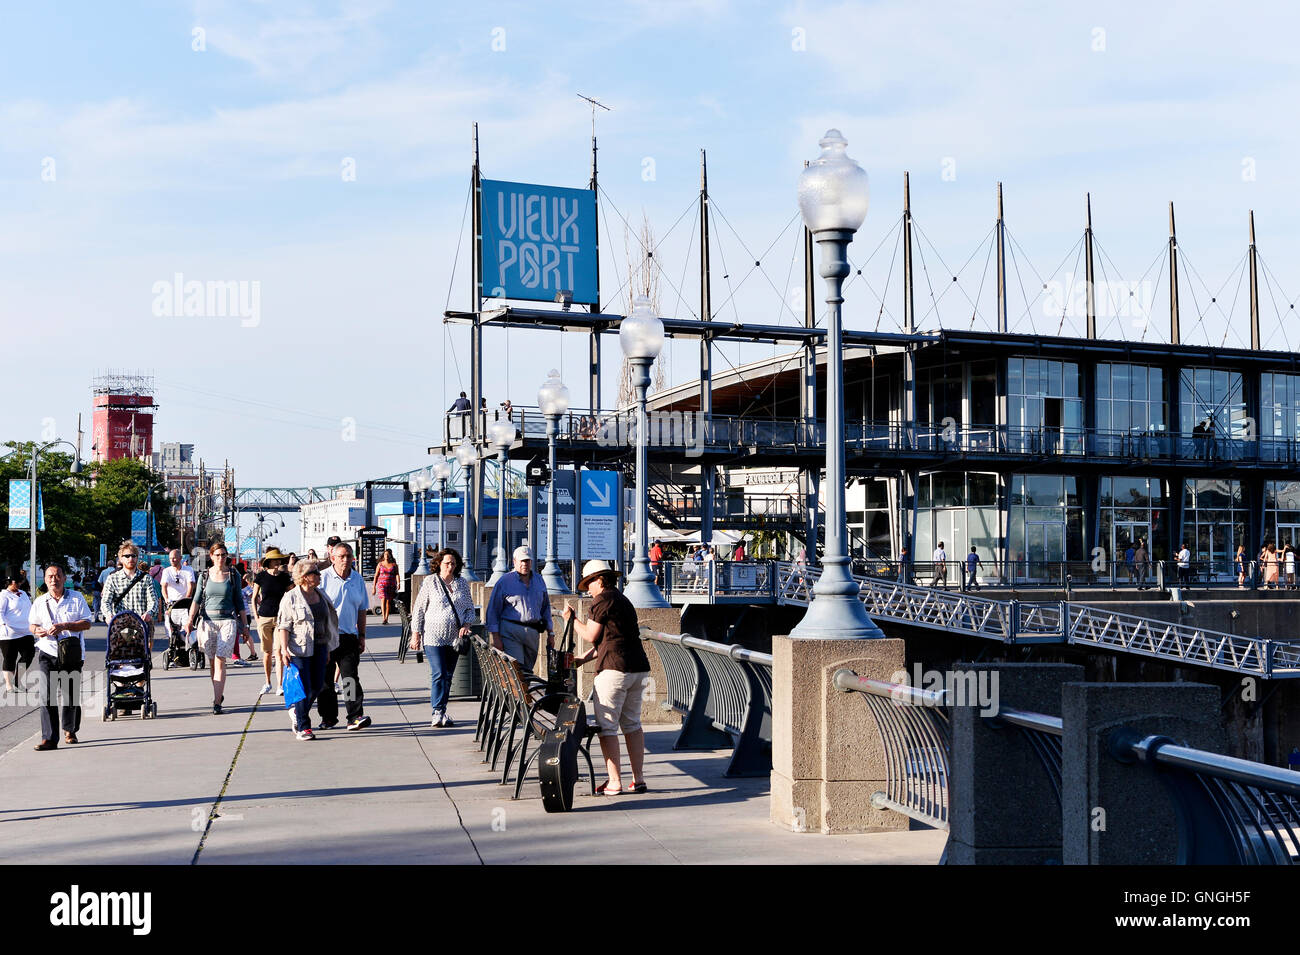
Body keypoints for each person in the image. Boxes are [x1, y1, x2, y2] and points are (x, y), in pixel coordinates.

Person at [562, 560, 651, 796]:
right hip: (638, 669)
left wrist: (572, 619)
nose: (587, 589)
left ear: (599, 580)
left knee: (608, 728)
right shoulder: (623, 600)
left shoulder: (601, 600)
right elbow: (611, 640)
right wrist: (583, 659)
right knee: (632, 725)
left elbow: (592, 635)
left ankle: (614, 781)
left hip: (613, 671)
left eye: (588, 583)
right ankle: (638, 779)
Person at [27, 565, 92, 750]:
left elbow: (87, 623)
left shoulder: (76, 598)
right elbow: (32, 625)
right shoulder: (40, 602)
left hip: (71, 652)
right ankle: (49, 738)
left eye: (57, 576)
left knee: (69, 694)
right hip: (47, 652)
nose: (53, 579)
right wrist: (36, 630)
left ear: (64, 578)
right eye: (49, 577)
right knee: (47, 695)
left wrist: (64, 625)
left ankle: (70, 730)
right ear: (45, 580)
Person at [410, 548, 476, 728]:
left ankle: (442, 711)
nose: (450, 566)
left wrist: (466, 625)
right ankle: (437, 711)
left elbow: (470, 609)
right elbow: (419, 609)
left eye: (453, 563)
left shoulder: (462, 583)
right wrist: (416, 634)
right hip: (433, 636)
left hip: (454, 638)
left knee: (448, 676)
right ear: (439, 564)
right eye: (447, 563)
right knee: (439, 673)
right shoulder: (430, 582)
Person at [275, 559, 337, 741]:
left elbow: (326, 622)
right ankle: (303, 727)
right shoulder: (291, 597)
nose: (319, 575)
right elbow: (284, 625)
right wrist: (284, 649)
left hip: (320, 645)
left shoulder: (321, 594)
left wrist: (327, 647)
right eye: (314, 572)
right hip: (298, 648)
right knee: (304, 686)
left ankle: (297, 711)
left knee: (317, 686)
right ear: (304, 577)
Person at [184, 543, 250, 715]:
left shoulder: (233, 575)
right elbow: (196, 599)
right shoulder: (204, 576)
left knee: (221, 659)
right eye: (218, 555)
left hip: (228, 620)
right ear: (211, 557)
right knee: (212, 661)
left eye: (224, 555)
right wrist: (190, 620)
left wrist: (245, 626)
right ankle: (218, 695)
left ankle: (216, 703)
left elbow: (239, 603)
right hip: (208, 621)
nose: (221, 558)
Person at [318, 542, 372, 731]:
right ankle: (328, 717)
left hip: (349, 636)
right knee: (326, 681)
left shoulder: (357, 580)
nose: (345, 559)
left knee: (349, 678)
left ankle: (354, 716)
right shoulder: (323, 578)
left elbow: (362, 610)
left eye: (349, 556)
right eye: (341, 556)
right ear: (333, 558)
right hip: (326, 637)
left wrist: (362, 635)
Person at [485, 546, 553, 672]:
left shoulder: (539, 580)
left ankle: (523, 691)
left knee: (528, 671)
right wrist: (496, 637)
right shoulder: (504, 581)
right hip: (511, 630)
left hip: (533, 631)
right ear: (514, 562)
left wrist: (551, 633)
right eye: (521, 561)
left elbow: (546, 608)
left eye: (527, 561)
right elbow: (493, 610)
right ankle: (518, 691)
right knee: (517, 670)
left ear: (531, 562)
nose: (524, 564)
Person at [252, 548, 293, 696]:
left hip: (281, 619)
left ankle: (280, 685)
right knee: (267, 653)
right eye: (275, 560)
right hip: (264, 617)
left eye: (279, 560)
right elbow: (254, 597)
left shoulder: (284, 577)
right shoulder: (261, 576)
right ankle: (268, 682)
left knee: (280, 651)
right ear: (269, 562)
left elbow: (292, 594)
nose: (278, 562)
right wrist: (256, 616)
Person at [101, 543, 162, 633]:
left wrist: (149, 613)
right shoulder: (113, 578)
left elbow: (153, 600)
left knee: (143, 646)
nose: (131, 559)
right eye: (127, 556)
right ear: (121, 558)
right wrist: (108, 615)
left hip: (140, 626)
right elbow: (105, 601)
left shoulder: (146, 578)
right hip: (119, 627)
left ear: (137, 558)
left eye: (134, 556)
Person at [0, 571, 34, 694]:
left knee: (29, 654)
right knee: (10, 659)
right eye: (17, 581)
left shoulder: (23, 594)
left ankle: (18, 679)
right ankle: (9, 686)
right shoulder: (3, 595)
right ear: (10, 582)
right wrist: (3, 624)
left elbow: (30, 609)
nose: (19, 583)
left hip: (26, 631)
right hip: (9, 633)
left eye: (20, 581)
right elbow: (0, 612)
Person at [159, 548, 196, 652]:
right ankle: (173, 650)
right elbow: (164, 586)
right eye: (171, 558)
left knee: (187, 628)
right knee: (171, 629)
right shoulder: (166, 571)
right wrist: (166, 599)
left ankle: (189, 648)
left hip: (184, 604)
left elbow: (190, 585)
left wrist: (186, 598)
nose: (173, 560)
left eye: (175, 558)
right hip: (172, 604)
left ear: (180, 558)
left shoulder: (188, 570)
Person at [372, 548, 401, 626]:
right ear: (383, 556)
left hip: (391, 585)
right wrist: (374, 587)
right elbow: (376, 575)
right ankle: (383, 617)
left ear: (390, 555)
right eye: (385, 555)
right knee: (383, 599)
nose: (386, 556)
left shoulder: (394, 565)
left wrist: (398, 583)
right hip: (381, 584)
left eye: (388, 555)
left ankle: (386, 618)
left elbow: (397, 574)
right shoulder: (380, 564)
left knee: (388, 602)